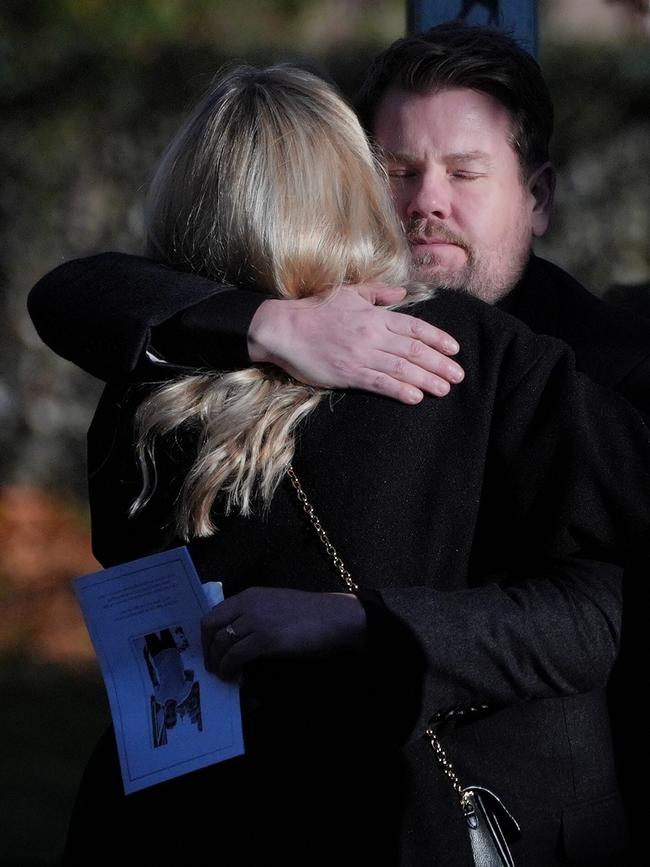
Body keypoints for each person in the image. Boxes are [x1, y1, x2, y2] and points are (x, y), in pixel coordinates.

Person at [53, 63, 650, 867]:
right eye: (397, 172)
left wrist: (366, 620)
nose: (426, 201)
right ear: (358, 182)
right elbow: (72, 291)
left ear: (537, 195)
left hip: (187, 817)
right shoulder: (176, 352)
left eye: (465, 172)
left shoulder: (146, 384)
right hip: (372, 822)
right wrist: (271, 325)